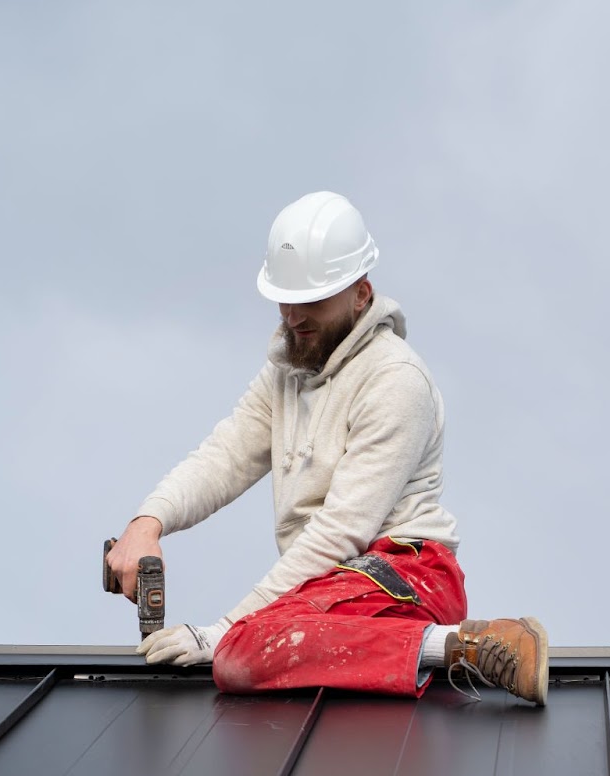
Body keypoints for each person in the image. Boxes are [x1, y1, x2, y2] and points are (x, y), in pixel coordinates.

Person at [104, 191, 548, 705]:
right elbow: (224, 456)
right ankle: (424, 650)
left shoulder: (395, 381)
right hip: (332, 588)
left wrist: (222, 629)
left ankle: (468, 646)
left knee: (243, 650)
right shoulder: (287, 371)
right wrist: (146, 524)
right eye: (284, 298)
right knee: (252, 645)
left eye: (312, 300)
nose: (293, 317)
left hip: (406, 575)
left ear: (362, 294)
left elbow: (342, 530)